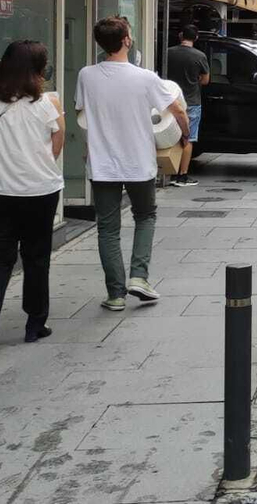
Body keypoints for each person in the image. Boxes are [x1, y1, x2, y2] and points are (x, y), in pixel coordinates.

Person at [0, 40, 66, 361]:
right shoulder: (49, 103)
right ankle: (35, 323)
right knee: (36, 257)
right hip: (39, 191)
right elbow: (56, 146)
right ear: (39, 69)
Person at [78, 17, 189, 312]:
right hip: (138, 161)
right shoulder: (146, 78)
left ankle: (115, 294)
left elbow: (82, 115)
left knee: (107, 228)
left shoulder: (86, 75)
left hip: (102, 163)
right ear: (126, 40)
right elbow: (177, 110)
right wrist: (186, 135)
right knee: (145, 216)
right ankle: (139, 276)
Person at [162, 25, 209, 188]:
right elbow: (205, 80)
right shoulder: (200, 56)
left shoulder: (168, 52)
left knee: (169, 135)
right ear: (196, 38)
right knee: (188, 138)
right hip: (192, 102)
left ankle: (167, 171)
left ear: (181, 35)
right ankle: (182, 175)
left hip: (170, 101)